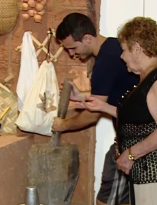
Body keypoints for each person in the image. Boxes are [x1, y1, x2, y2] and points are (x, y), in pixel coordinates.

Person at [77, 16, 157, 205]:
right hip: (144, 174)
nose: (121, 56)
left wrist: (132, 153)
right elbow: (139, 117)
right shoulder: (147, 75)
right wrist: (101, 106)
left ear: (137, 49)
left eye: (124, 50)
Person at [51, 12, 139, 205]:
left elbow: (92, 116)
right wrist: (82, 96)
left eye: (72, 48)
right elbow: (111, 97)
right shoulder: (114, 48)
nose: (72, 54)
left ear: (87, 38)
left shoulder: (105, 62)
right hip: (131, 141)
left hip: (131, 144)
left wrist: (62, 125)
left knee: (106, 202)